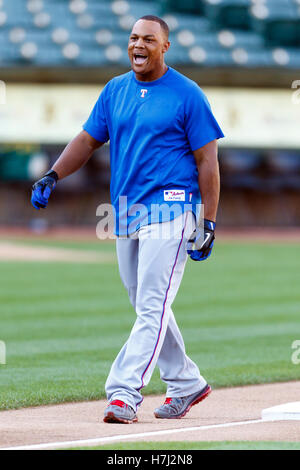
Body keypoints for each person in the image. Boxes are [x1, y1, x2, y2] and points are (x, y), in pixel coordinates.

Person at [31, 15, 224, 424]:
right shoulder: (115, 90)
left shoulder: (187, 94)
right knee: (145, 304)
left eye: (148, 39)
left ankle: (123, 393)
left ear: (164, 46)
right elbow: (87, 139)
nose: (138, 45)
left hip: (173, 209)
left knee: (152, 305)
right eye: (133, 38)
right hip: (126, 211)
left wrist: (208, 220)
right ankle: (186, 381)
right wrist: (53, 174)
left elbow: (208, 160)